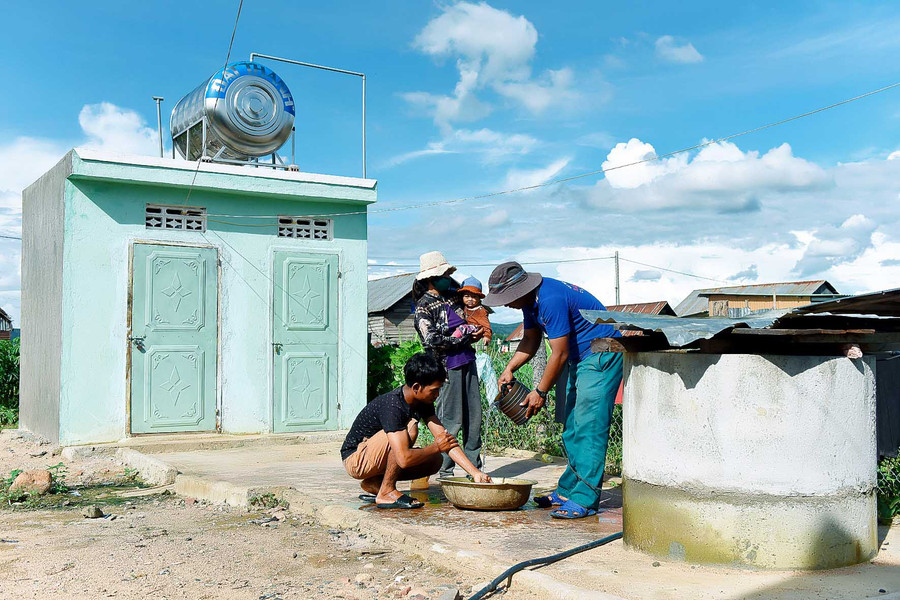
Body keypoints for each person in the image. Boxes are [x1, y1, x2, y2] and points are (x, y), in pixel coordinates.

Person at [483, 261, 623, 519]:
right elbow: (531, 339)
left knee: (589, 427)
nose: (505, 304)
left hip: (601, 354)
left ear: (519, 290)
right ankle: (568, 489)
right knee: (572, 426)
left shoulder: (550, 298)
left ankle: (586, 498)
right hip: (581, 358)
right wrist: (510, 368)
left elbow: (558, 354)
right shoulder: (530, 302)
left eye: (506, 299)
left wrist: (540, 391)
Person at [340, 352, 491, 509]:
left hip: (374, 457)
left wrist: (475, 473)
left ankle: (375, 483)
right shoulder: (393, 405)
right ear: (417, 387)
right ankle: (386, 492)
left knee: (435, 461)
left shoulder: (423, 401)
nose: (437, 395)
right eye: (434, 390)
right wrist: (435, 447)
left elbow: (444, 438)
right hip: (356, 459)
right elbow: (404, 458)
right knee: (410, 431)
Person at [412, 251, 485, 478]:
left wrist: (476, 332)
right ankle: (446, 470)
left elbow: (475, 306)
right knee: (450, 420)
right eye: (444, 275)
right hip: (447, 368)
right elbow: (431, 341)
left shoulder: (452, 297)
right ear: (432, 279)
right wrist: (463, 338)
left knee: (474, 418)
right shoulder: (424, 307)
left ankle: (475, 469)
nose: (449, 278)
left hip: (468, 362)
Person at [458, 276, 493, 346]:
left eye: (474, 297)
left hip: (474, 330)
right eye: (467, 296)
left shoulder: (480, 311)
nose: (470, 299)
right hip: (466, 333)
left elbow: (486, 325)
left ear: (479, 298)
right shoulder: (464, 307)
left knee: (460, 330)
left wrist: (487, 336)